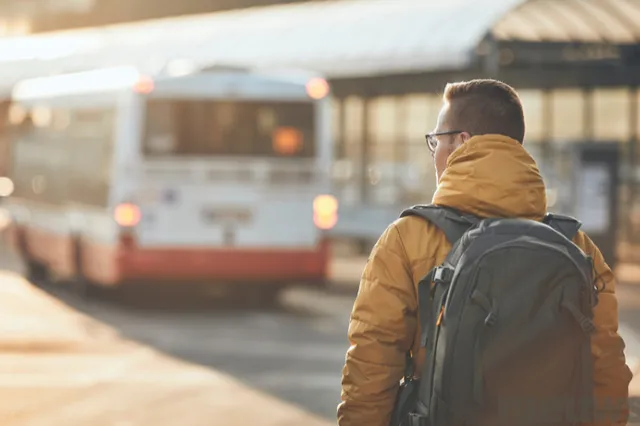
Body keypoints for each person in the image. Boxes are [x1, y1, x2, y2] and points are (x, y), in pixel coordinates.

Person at [337, 79, 632, 426]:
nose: (435, 156)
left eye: (436, 142)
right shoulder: (577, 246)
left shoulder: (407, 240)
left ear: (461, 142)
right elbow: (606, 371)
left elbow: (371, 368)